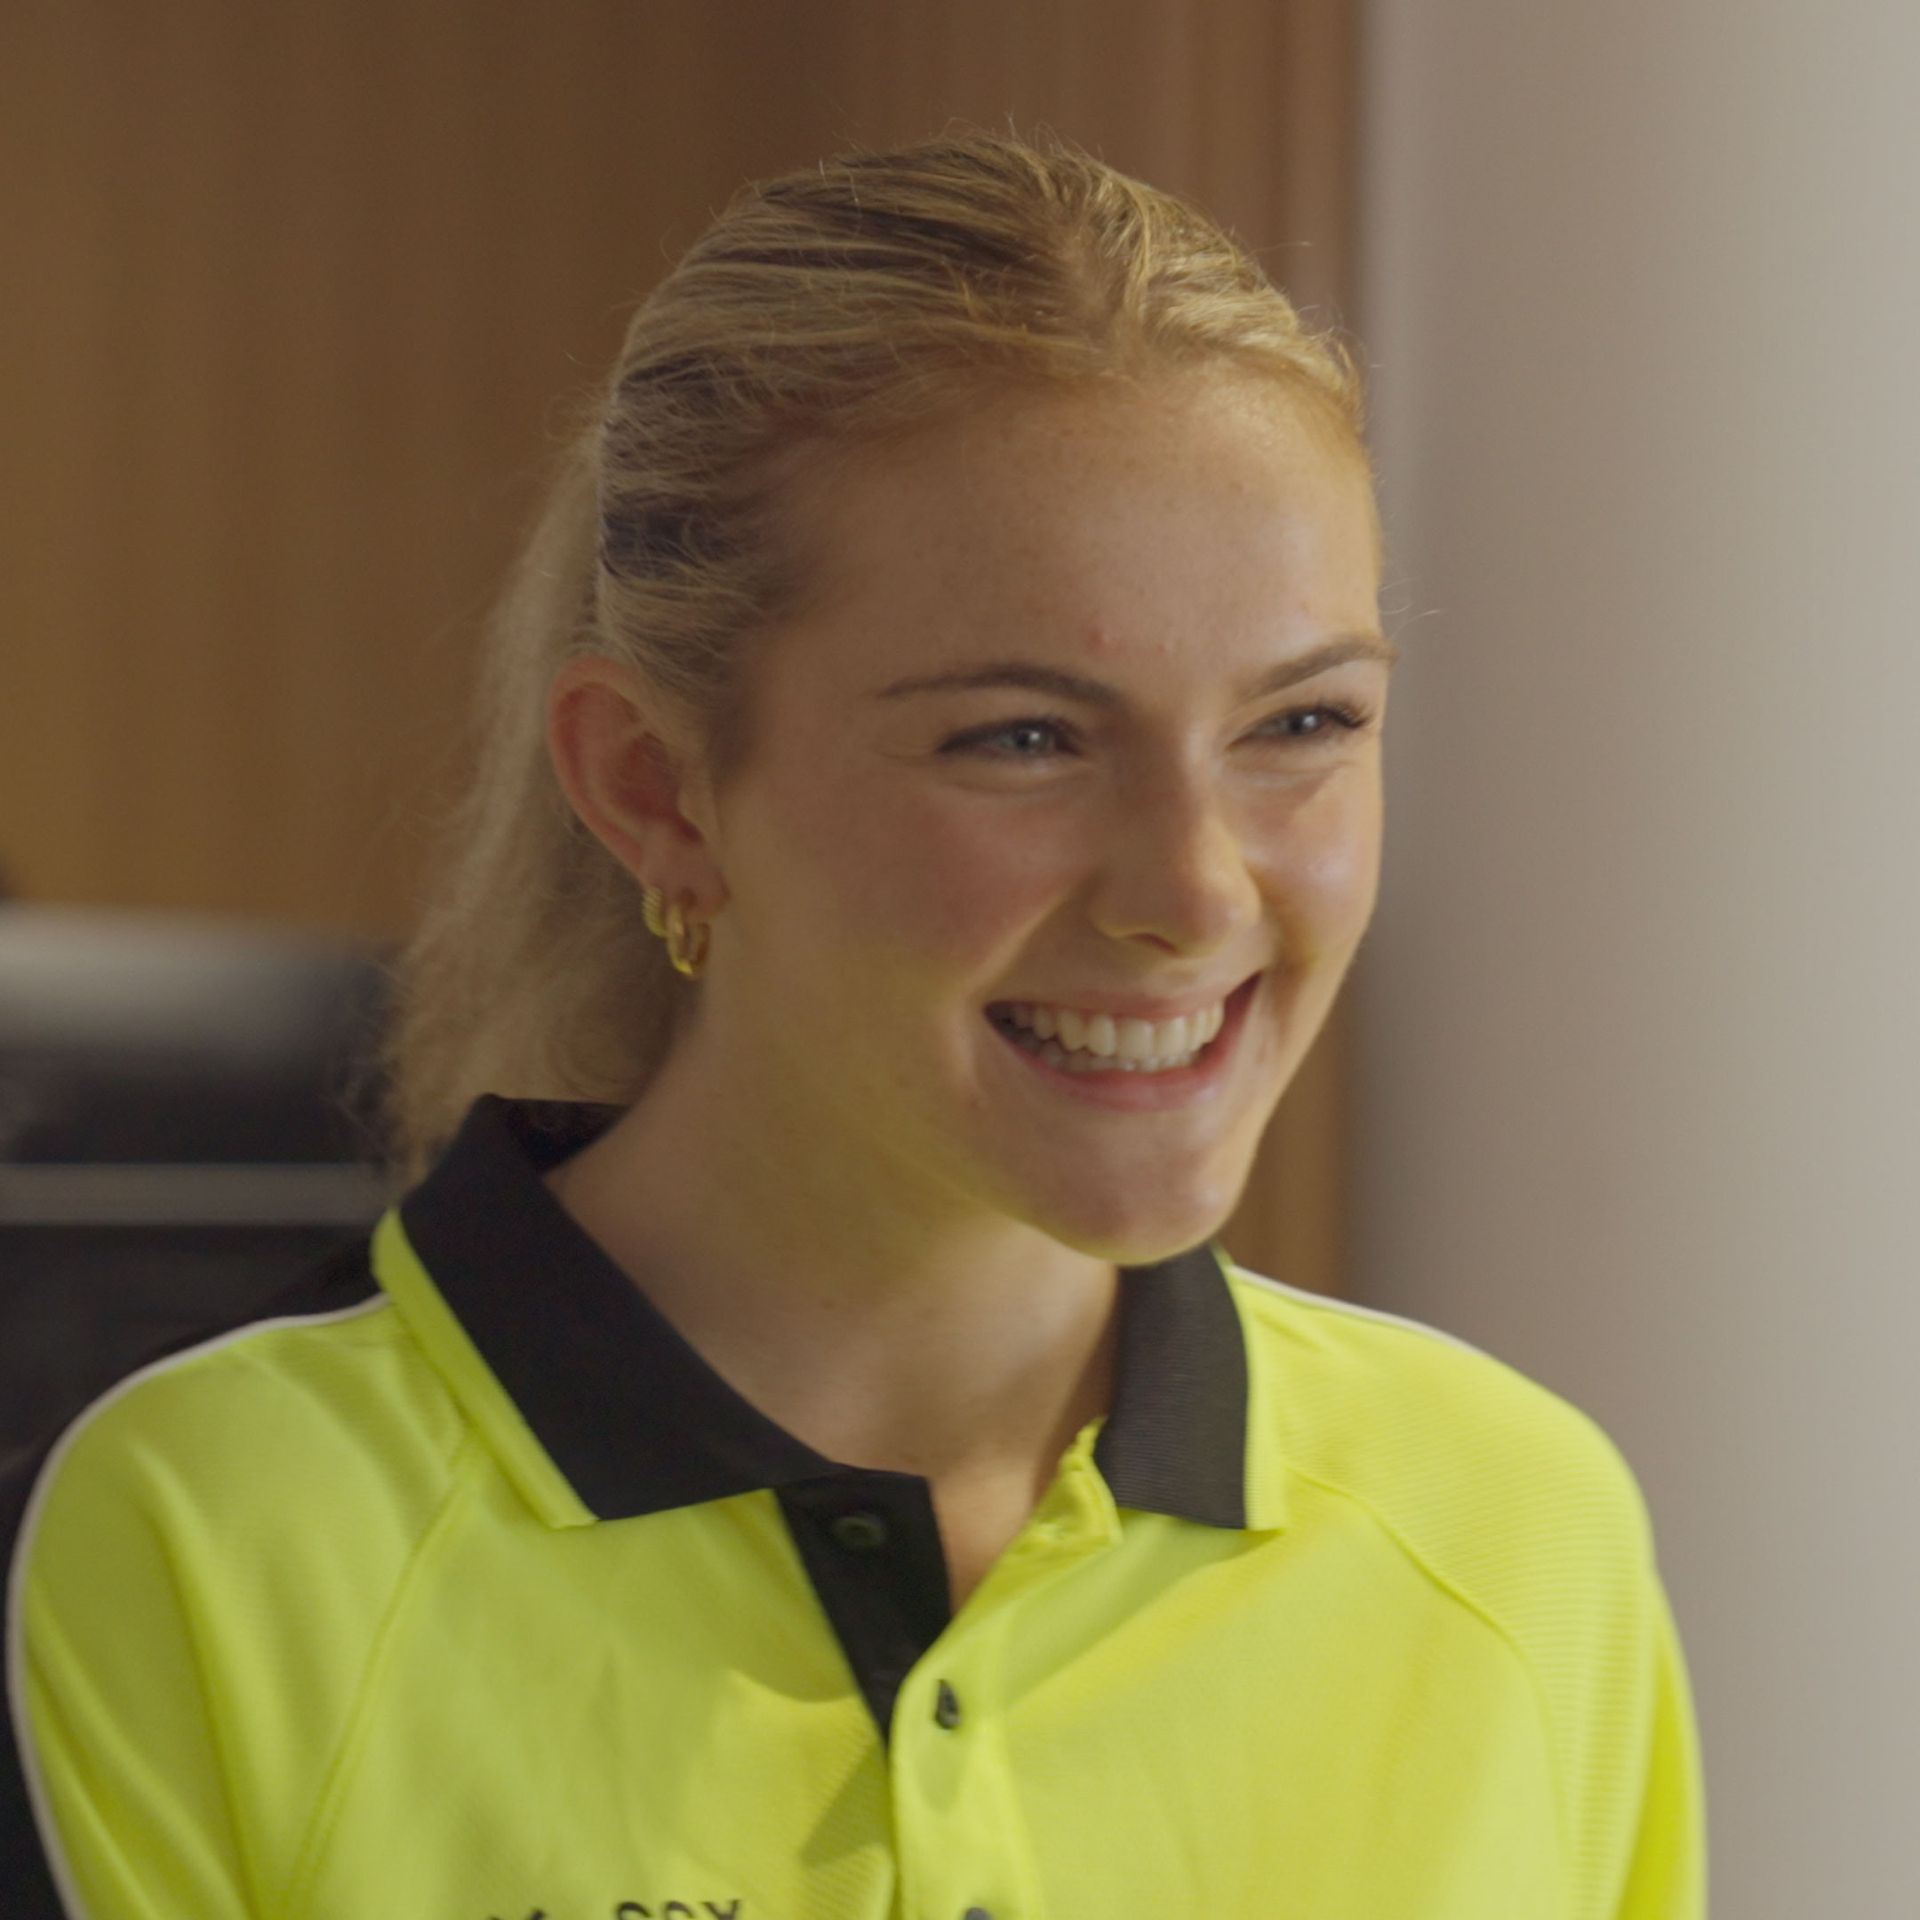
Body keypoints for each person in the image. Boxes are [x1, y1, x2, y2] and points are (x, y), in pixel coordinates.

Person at [0, 127, 1705, 1917]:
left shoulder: (1515, 1533)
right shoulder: (201, 1545)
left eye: (1302, 727)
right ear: (658, 787)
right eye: (1024, 738)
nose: (1198, 893)